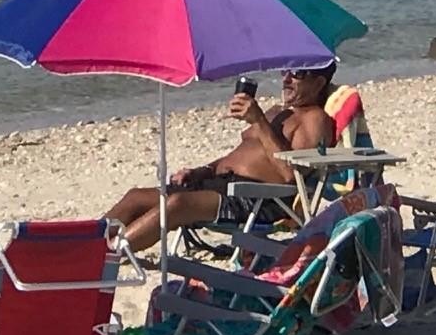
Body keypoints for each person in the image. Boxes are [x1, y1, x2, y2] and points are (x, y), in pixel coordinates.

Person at [106, 65, 338, 251]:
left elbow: (291, 175)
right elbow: (238, 155)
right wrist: (203, 170)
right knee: (136, 197)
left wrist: (258, 120)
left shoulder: (315, 119)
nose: (286, 79)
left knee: (178, 205)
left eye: (297, 74)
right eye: (285, 71)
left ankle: (108, 254)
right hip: (219, 184)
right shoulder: (278, 112)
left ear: (319, 83)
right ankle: (87, 243)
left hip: (255, 197)